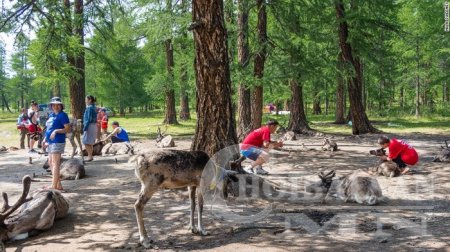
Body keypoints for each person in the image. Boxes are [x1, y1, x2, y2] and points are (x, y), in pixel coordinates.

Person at [43, 97, 70, 191]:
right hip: (50, 141)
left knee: (55, 163)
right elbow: (48, 128)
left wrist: (56, 131)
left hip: (58, 141)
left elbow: (67, 129)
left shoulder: (63, 115)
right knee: (50, 162)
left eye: (58, 104)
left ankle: (53, 186)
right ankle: (58, 185)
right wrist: (45, 139)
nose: (55, 106)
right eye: (53, 105)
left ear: (61, 106)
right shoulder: (51, 115)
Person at [83, 95, 98, 161]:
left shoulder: (89, 108)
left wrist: (85, 127)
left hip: (90, 125)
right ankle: (90, 156)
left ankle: (90, 156)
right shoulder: (94, 107)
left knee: (86, 142)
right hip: (94, 125)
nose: (85, 100)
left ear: (90, 100)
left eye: (86, 99)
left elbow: (89, 118)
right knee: (90, 142)